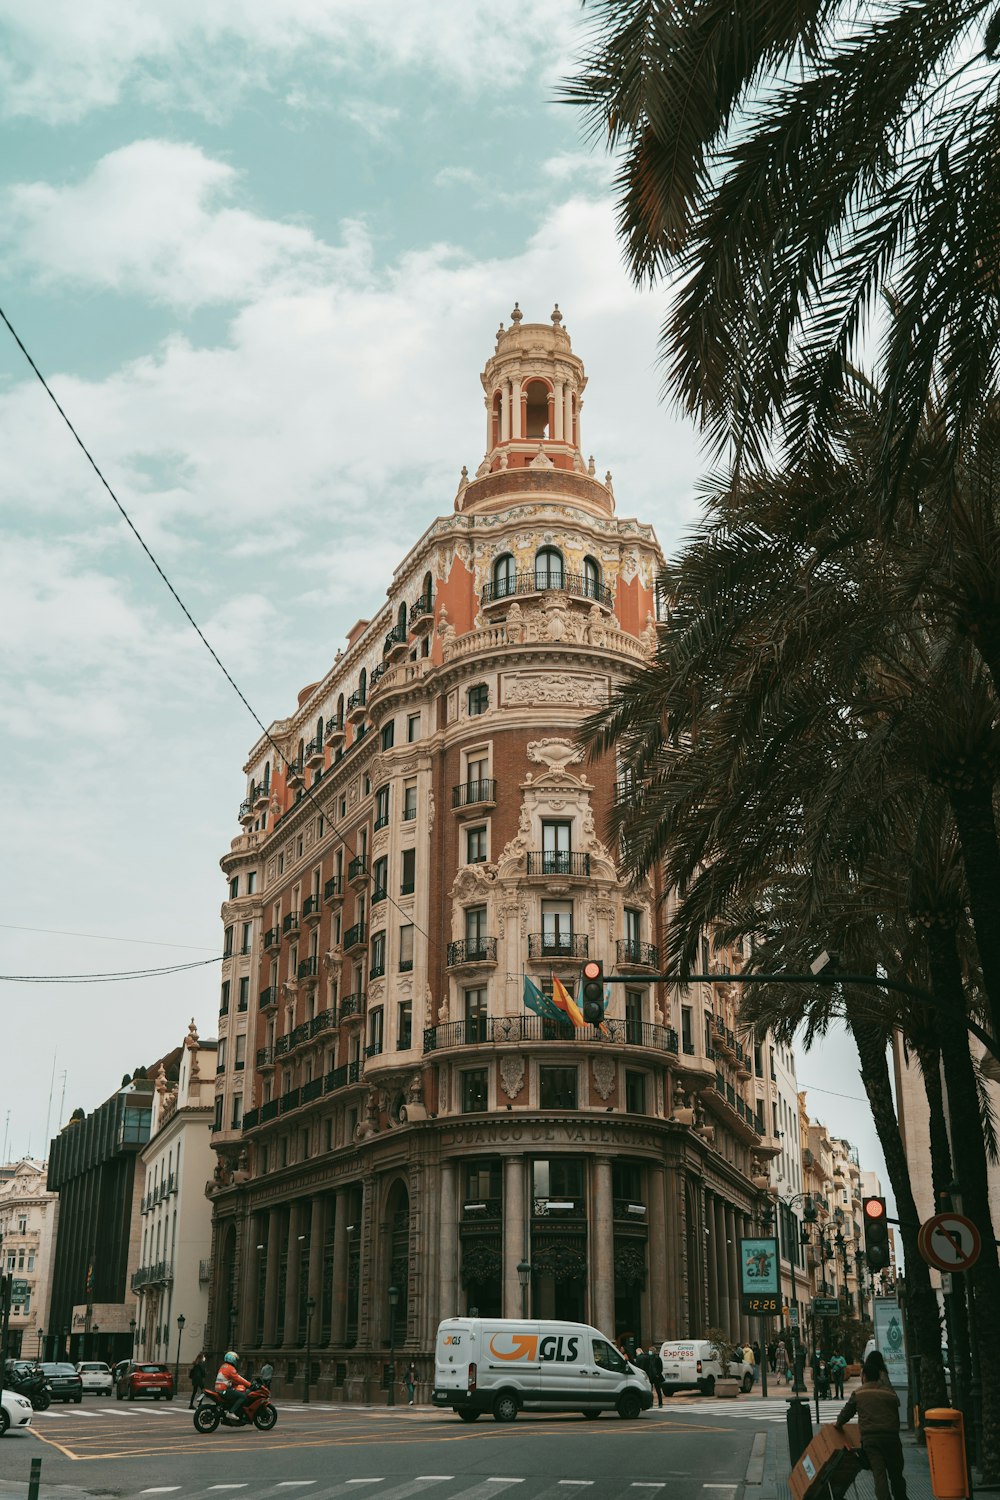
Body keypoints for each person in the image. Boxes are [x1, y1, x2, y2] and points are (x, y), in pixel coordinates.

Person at [835, 1351, 908, 1500]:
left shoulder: (859, 1393)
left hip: (871, 1439)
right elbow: (895, 1409)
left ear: (865, 1376)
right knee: (896, 1474)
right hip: (892, 1438)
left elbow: (845, 1414)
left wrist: (838, 1424)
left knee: (879, 1474)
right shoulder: (889, 1393)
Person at [214, 1350, 252, 1425]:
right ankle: (231, 1412)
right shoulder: (230, 1368)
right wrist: (249, 1384)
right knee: (243, 1397)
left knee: (235, 1394)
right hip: (224, 1390)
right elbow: (238, 1378)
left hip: (219, 1389)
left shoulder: (223, 1366)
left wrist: (235, 1384)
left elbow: (231, 1379)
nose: (236, 1361)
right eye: (236, 1359)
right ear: (232, 1359)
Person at [647, 1343, 664, 1408]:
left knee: (658, 1390)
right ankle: (651, 1403)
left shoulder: (657, 1358)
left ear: (653, 1351)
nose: (649, 1352)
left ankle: (660, 1403)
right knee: (650, 1391)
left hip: (656, 1376)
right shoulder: (648, 1358)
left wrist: (658, 1374)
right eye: (649, 1350)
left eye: (650, 1351)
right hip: (650, 1376)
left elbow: (660, 1367)